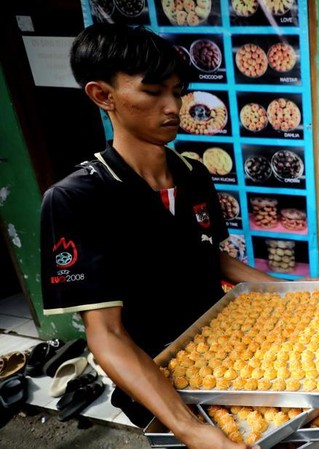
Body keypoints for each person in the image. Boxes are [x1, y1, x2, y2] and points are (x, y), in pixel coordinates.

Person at [40, 24, 279, 449]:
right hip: (160, 379)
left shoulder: (193, 174)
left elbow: (213, 258)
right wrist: (187, 428)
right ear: (102, 95)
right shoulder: (77, 199)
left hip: (233, 353)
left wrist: (295, 294)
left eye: (178, 91)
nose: (173, 106)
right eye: (152, 92)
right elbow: (107, 335)